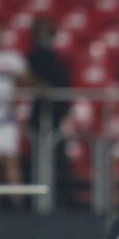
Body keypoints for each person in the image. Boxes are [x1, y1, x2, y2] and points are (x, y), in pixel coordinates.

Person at [27, 18, 74, 208]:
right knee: (41, 156)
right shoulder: (36, 56)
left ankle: (58, 200)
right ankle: (36, 202)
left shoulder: (55, 57)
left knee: (57, 157)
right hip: (42, 114)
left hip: (55, 114)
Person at [0, 29, 29, 207]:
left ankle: (17, 208)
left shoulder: (12, 58)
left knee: (11, 160)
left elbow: (27, 79)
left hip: (5, 120)